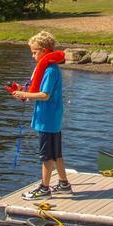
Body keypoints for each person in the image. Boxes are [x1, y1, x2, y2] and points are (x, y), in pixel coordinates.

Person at [9, 30, 71, 200]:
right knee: (56, 154)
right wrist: (23, 90)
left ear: (44, 50)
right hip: (52, 118)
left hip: (47, 119)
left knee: (47, 155)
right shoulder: (49, 68)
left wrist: (24, 95)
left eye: (34, 52)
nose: (33, 56)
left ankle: (44, 188)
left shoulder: (50, 70)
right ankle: (64, 184)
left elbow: (45, 95)